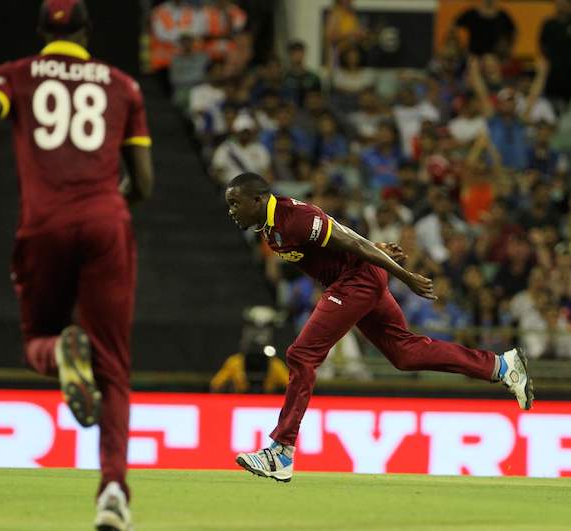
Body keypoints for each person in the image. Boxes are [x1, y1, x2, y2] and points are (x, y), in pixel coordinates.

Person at [0, 1, 154, 529]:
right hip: (107, 223)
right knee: (113, 368)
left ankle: (59, 350)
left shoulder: (13, 75)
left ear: (41, 33)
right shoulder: (123, 85)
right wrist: (108, 205)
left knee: (38, 337)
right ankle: (112, 494)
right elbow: (145, 184)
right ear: (87, 32)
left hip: (44, 226)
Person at [224, 172, 533, 482]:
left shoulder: (296, 218)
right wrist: (376, 248)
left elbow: (351, 240)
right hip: (357, 278)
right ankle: (501, 366)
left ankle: (281, 451)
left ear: (258, 199)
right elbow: (341, 237)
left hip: (355, 282)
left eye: (235, 203)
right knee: (405, 354)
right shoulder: (270, 227)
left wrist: (404, 275)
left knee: (301, 355)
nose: (231, 210)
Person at [539, 0, 571, 107]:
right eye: (559, 2)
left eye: (564, 2)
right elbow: (542, 46)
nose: (561, 5)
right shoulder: (549, 24)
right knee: (551, 103)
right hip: (553, 74)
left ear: (569, 4)